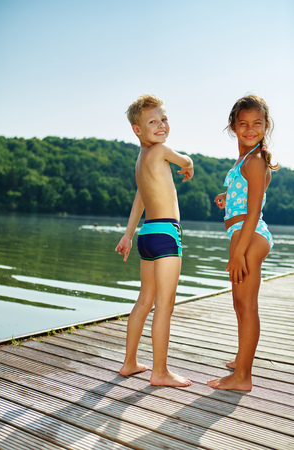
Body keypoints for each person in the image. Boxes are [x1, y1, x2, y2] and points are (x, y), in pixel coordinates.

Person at [115, 94, 194, 387]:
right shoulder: (161, 151)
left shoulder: (141, 160)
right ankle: (159, 372)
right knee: (164, 305)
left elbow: (140, 198)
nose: (161, 126)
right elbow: (185, 159)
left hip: (147, 234)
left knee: (144, 300)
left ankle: (129, 362)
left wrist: (128, 233)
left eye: (164, 119)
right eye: (153, 121)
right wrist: (190, 165)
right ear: (137, 129)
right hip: (165, 234)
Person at [208, 94, 279, 391]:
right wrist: (228, 198)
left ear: (266, 126)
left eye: (257, 124)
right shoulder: (246, 160)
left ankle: (243, 377)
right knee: (239, 304)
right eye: (243, 124)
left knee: (247, 306)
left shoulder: (256, 161)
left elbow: (252, 213)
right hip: (242, 236)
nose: (250, 129)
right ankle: (242, 360)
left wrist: (238, 253)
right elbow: (249, 195)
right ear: (233, 127)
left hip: (249, 238)